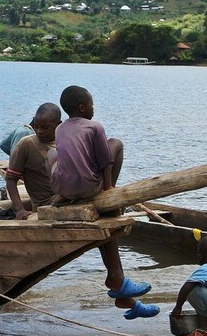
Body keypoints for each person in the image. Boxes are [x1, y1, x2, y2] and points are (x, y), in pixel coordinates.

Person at [50, 85, 158, 320]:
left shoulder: (59, 129)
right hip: (89, 187)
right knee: (116, 143)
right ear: (82, 107)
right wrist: (108, 190)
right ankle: (117, 281)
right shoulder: (94, 126)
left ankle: (119, 284)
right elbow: (105, 161)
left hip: (62, 188)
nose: (93, 108)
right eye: (91, 104)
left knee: (58, 159)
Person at [5, 103, 61, 219]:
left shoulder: (65, 141)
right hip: (46, 204)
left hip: (67, 198)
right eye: (36, 127)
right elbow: (11, 179)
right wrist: (20, 209)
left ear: (58, 125)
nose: (39, 131)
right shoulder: (27, 144)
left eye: (45, 128)